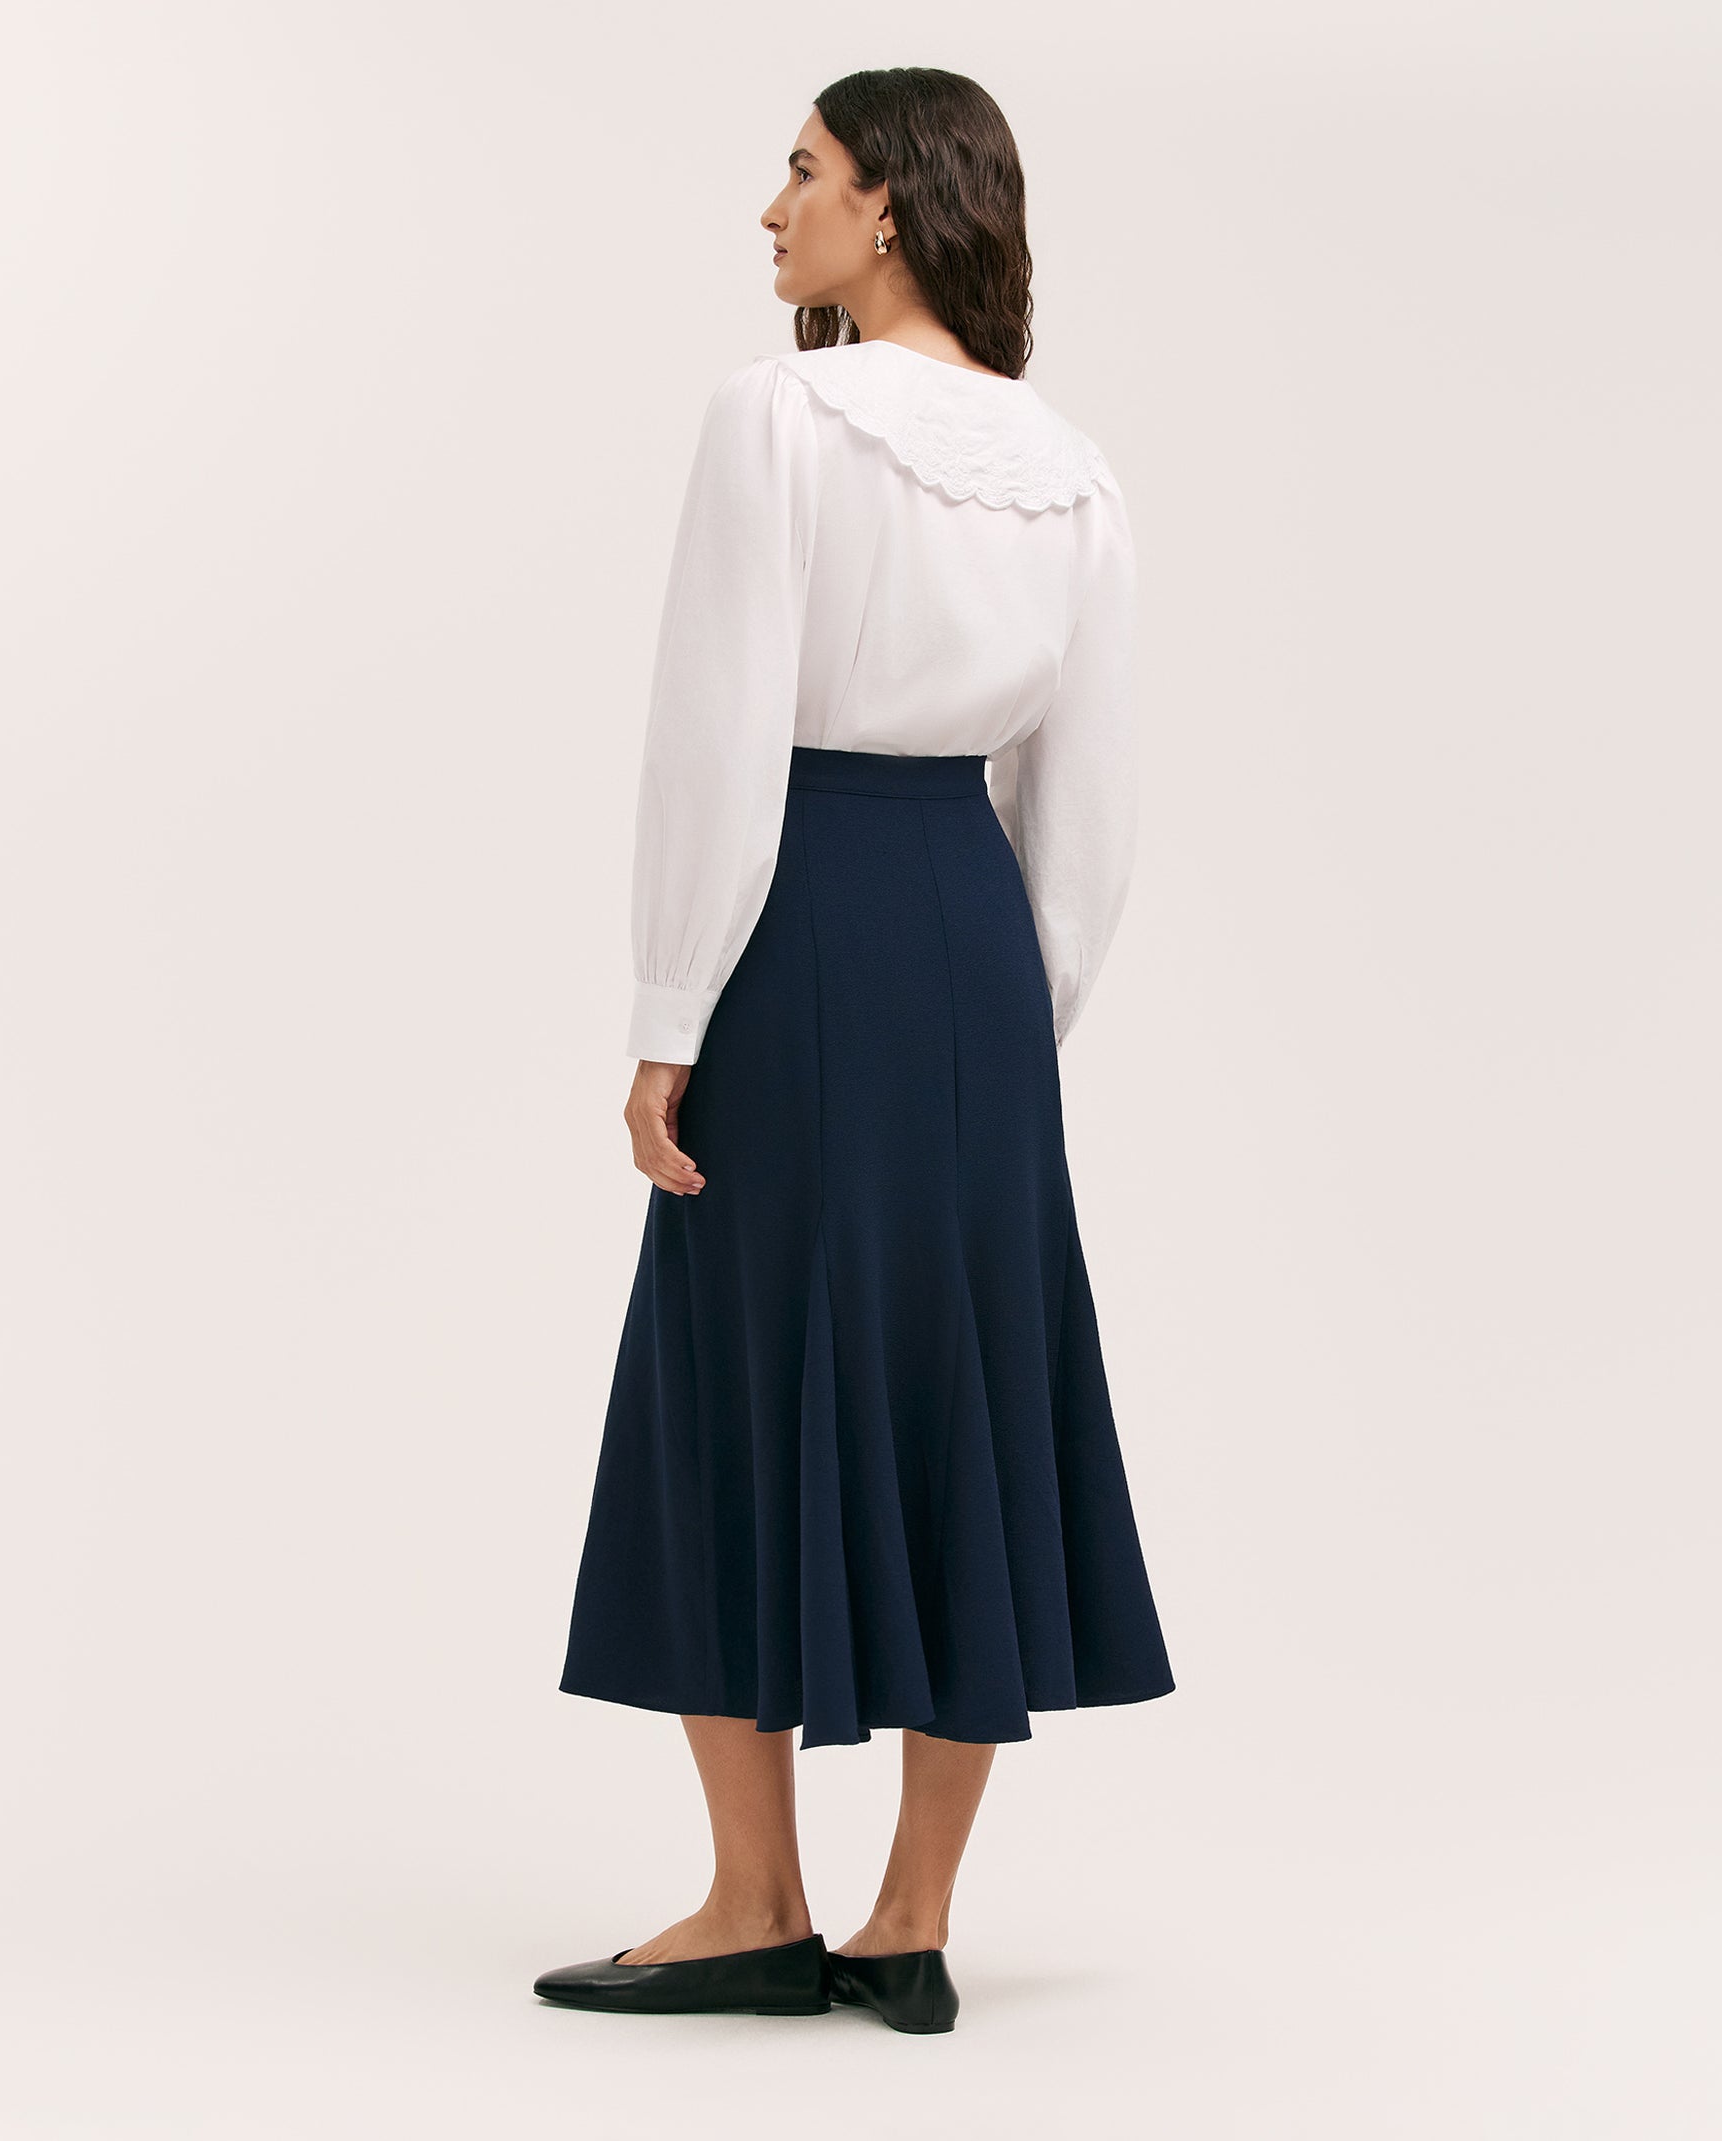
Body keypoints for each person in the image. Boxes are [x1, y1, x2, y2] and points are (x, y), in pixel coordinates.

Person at [535, 68, 1175, 2036]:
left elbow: (718, 731)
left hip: (797, 922)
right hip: (973, 952)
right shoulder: (1073, 471)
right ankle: (909, 1917)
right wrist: (1013, 1031)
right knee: (964, 1381)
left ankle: (753, 1905)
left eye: (800, 170)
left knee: (735, 1369)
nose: (772, 210)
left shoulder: (778, 417)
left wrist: (667, 1013)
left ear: (888, 203)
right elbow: (1086, 810)